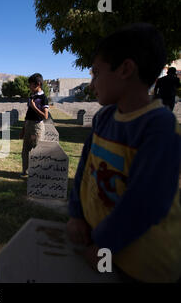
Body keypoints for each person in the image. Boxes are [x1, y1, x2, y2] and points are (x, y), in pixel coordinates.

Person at [67, 23, 181, 282]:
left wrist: (105, 246)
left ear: (126, 69)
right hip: (100, 249)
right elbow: (85, 168)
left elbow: (146, 204)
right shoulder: (105, 117)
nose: (91, 83)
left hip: (143, 266)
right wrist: (76, 214)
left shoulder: (158, 127)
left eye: (96, 73)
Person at [20, 73, 49, 178]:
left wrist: (34, 107)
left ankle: (37, 173)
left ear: (38, 84)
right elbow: (28, 114)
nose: (29, 86)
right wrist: (23, 129)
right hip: (28, 125)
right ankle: (25, 171)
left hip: (37, 127)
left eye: (31, 84)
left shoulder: (43, 98)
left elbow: (45, 116)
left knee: (36, 150)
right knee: (25, 151)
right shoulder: (31, 96)